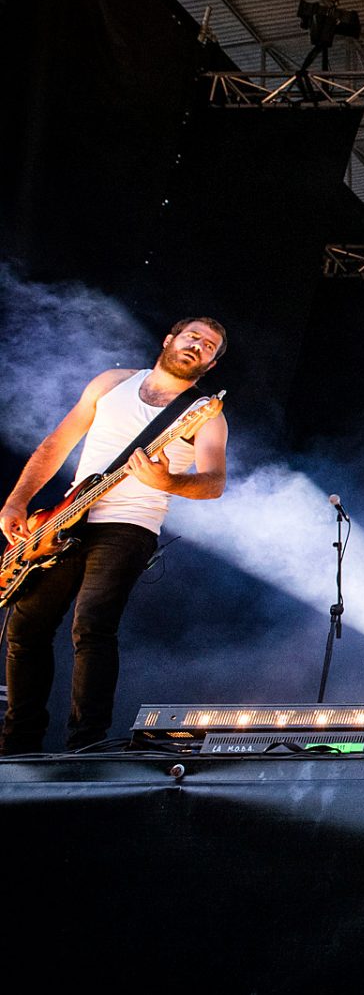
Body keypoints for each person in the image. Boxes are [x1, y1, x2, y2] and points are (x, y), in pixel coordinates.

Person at [1, 317, 230, 754]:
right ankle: (17, 745)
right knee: (26, 627)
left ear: (212, 364)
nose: (197, 347)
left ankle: (86, 746)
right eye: (192, 337)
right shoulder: (112, 383)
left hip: (130, 524)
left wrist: (169, 483)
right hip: (65, 517)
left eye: (208, 347)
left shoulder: (204, 414)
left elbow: (214, 482)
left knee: (91, 626)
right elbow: (57, 443)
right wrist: (16, 501)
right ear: (169, 339)